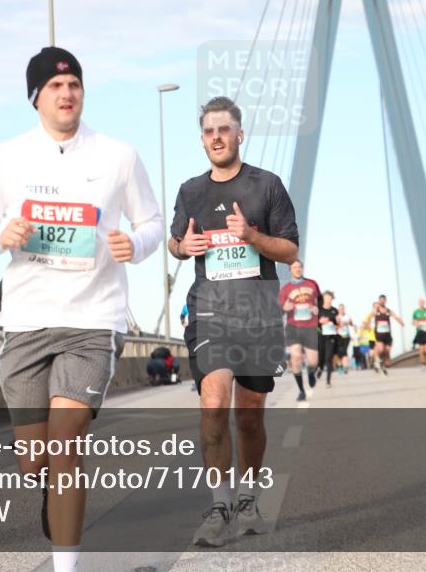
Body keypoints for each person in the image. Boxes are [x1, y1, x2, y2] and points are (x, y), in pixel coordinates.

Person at [0, 47, 162, 571]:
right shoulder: (6, 158)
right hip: (27, 320)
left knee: (66, 441)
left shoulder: (118, 155)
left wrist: (134, 246)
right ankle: (51, 489)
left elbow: (153, 223)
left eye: (73, 83)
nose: (67, 93)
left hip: (93, 320)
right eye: (54, 86)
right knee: (35, 460)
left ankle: (66, 566)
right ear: (35, 98)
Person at [168, 96, 299, 547]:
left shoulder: (267, 186)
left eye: (224, 130)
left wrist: (254, 236)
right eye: (208, 131)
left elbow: (290, 251)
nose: (216, 137)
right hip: (210, 308)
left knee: (248, 416)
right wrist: (182, 248)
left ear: (239, 135)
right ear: (202, 138)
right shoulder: (191, 191)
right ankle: (219, 503)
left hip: (258, 310)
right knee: (214, 400)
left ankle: (247, 496)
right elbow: (175, 243)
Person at [278, 259, 321, 401]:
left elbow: (319, 301)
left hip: (309, 327)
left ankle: (310, 372)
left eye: (299, 267)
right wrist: (284, 308)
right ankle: (301, 390)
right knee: (296, 358)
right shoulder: (285, 289)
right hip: (293, 327)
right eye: (294, 267)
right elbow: (278, 309)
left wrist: (317, 308)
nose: (297, 269)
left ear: (302, 269)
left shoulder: (312, 284)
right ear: (290, 270)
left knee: (313, 361)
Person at [372, 296, 404, 375]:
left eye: (383, 300)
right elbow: (369, 317)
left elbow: (395, 316)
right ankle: (377, 361)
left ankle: (382, 365)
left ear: (385, 301)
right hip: (379, 334)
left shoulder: (388, 311)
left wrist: (400, 322)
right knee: (381, 349)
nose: (382, 301)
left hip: (387, 335)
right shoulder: (376, 310)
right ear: (379, 301)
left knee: (387, 351)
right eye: (380, 300)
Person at [317, 291, 339, 387]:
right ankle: (320, 368)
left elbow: (338, 323)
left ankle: (328, 381)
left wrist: (334, 322)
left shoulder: (335, 310)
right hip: (320, 336)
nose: (328, 300)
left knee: (328, 358)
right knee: (321, 358)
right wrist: (319, 321)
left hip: (331, 336)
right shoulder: (319, 310)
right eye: (326, 298)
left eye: (330, 298)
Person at [411, 298, 426, 370]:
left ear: (424, 303)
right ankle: (423, 364)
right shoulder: (416, 312)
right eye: (420, 302)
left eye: (422, 302)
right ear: (418, 303)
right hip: (419, 332)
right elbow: (413, 322)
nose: (421, 303)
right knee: (421, 349)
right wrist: (416, 324)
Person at [336, 303, 353, 374]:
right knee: (339, 352)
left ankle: (345, 367)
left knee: (344, 351)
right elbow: (333, 325)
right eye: (340, 309)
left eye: (342, 308)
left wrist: (348, 322)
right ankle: (339, 365)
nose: (341, 310)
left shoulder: (347, 316)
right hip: (338, 336)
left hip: (346, 336)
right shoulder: (336, 316)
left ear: (344, 309)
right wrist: (339, 324)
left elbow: (351, 323)